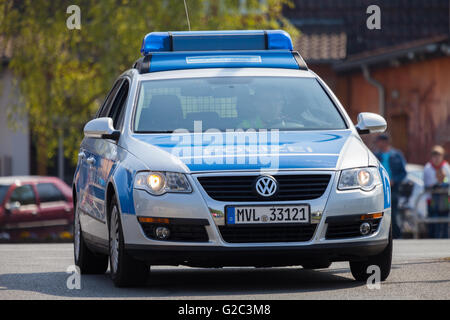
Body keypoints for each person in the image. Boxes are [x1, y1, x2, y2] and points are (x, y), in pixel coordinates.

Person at [375, 134, 407, 238]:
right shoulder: (375, 156)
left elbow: (403, 173)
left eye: (380, 141)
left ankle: (397, 235)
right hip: (380, 189)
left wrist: (394, 181)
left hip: (393, 189)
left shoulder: (396, 155)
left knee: (393, 213)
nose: (378, 144)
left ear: (385, 142)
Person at [423, 145, 450, 238]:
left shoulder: (446, 167)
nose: (436, 158)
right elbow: (427, 185)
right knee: (433, 223)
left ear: (442, 156)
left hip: (445, 200)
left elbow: (448, 182)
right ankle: (433, 241)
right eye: (434, 155)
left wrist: (443, 181)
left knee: (445, 223)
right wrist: (437, 182)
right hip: (432, 201)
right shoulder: (427, 168)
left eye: (438, 155)